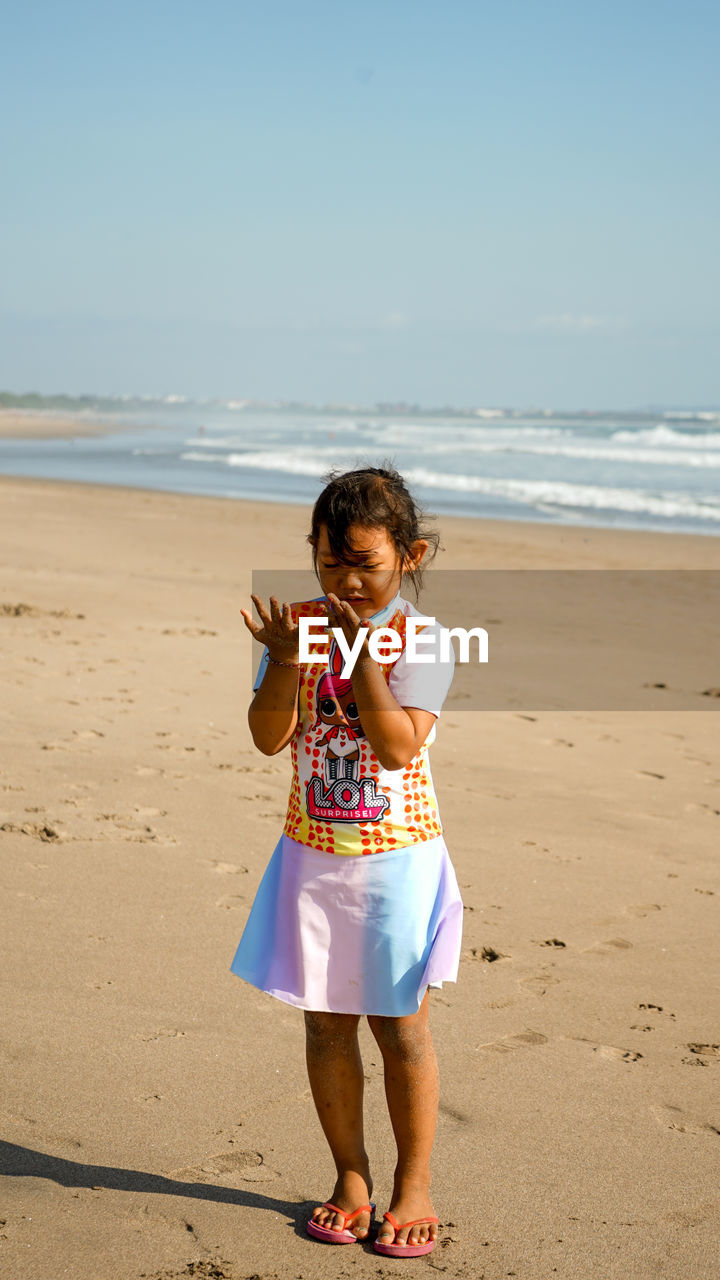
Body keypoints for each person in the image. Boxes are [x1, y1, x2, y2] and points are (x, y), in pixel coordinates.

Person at [232, 464, 463, 1258]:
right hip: (313, 860)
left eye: (365, 562)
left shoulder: (423, 640)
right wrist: (289, 659)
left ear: (411, 555)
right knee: (327, 1028)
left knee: (402, 1032)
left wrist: (361, 653)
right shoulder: (293, 628)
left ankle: (415, 1184)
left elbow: (399, 747)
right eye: (330, 563)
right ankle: (352, 1175)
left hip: (397, 864)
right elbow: (270, 736)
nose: (346, 580)